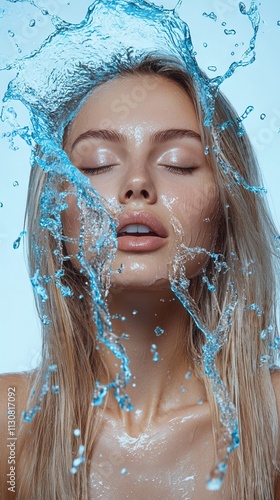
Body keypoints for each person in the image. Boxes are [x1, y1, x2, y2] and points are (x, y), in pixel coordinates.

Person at [0, 2, 280, 499]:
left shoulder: (275, 419)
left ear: (228, 206)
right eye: (96, 163)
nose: (136, 185)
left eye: (178, 162)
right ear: (52, 208)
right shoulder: (8, 426)